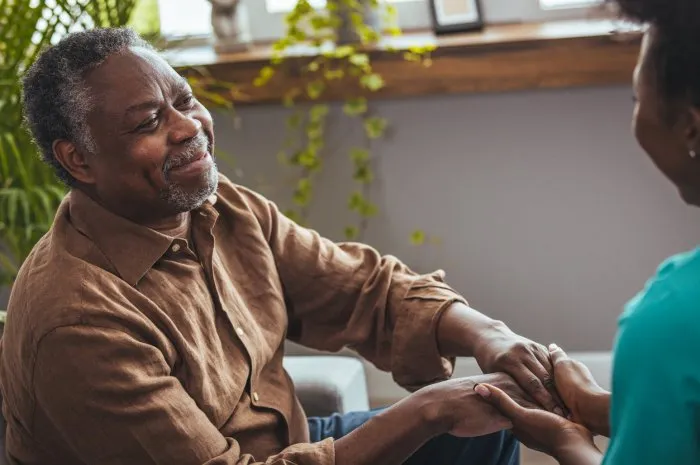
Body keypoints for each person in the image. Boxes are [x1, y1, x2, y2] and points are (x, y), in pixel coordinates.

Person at [0, 28, 564, 465]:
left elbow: (364, 289)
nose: (187, 127)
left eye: (185, 100)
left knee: (481, 434)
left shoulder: (222, 211)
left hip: (288, 446)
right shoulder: (77, 320)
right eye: (150, 120)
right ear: (79, 159)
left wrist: (491, 336)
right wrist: (428, 410)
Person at [473, 0, 700, 464]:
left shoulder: (670, 323)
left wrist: (567, 444)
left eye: (637, 99)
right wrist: (597, 406)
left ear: (690, 128)